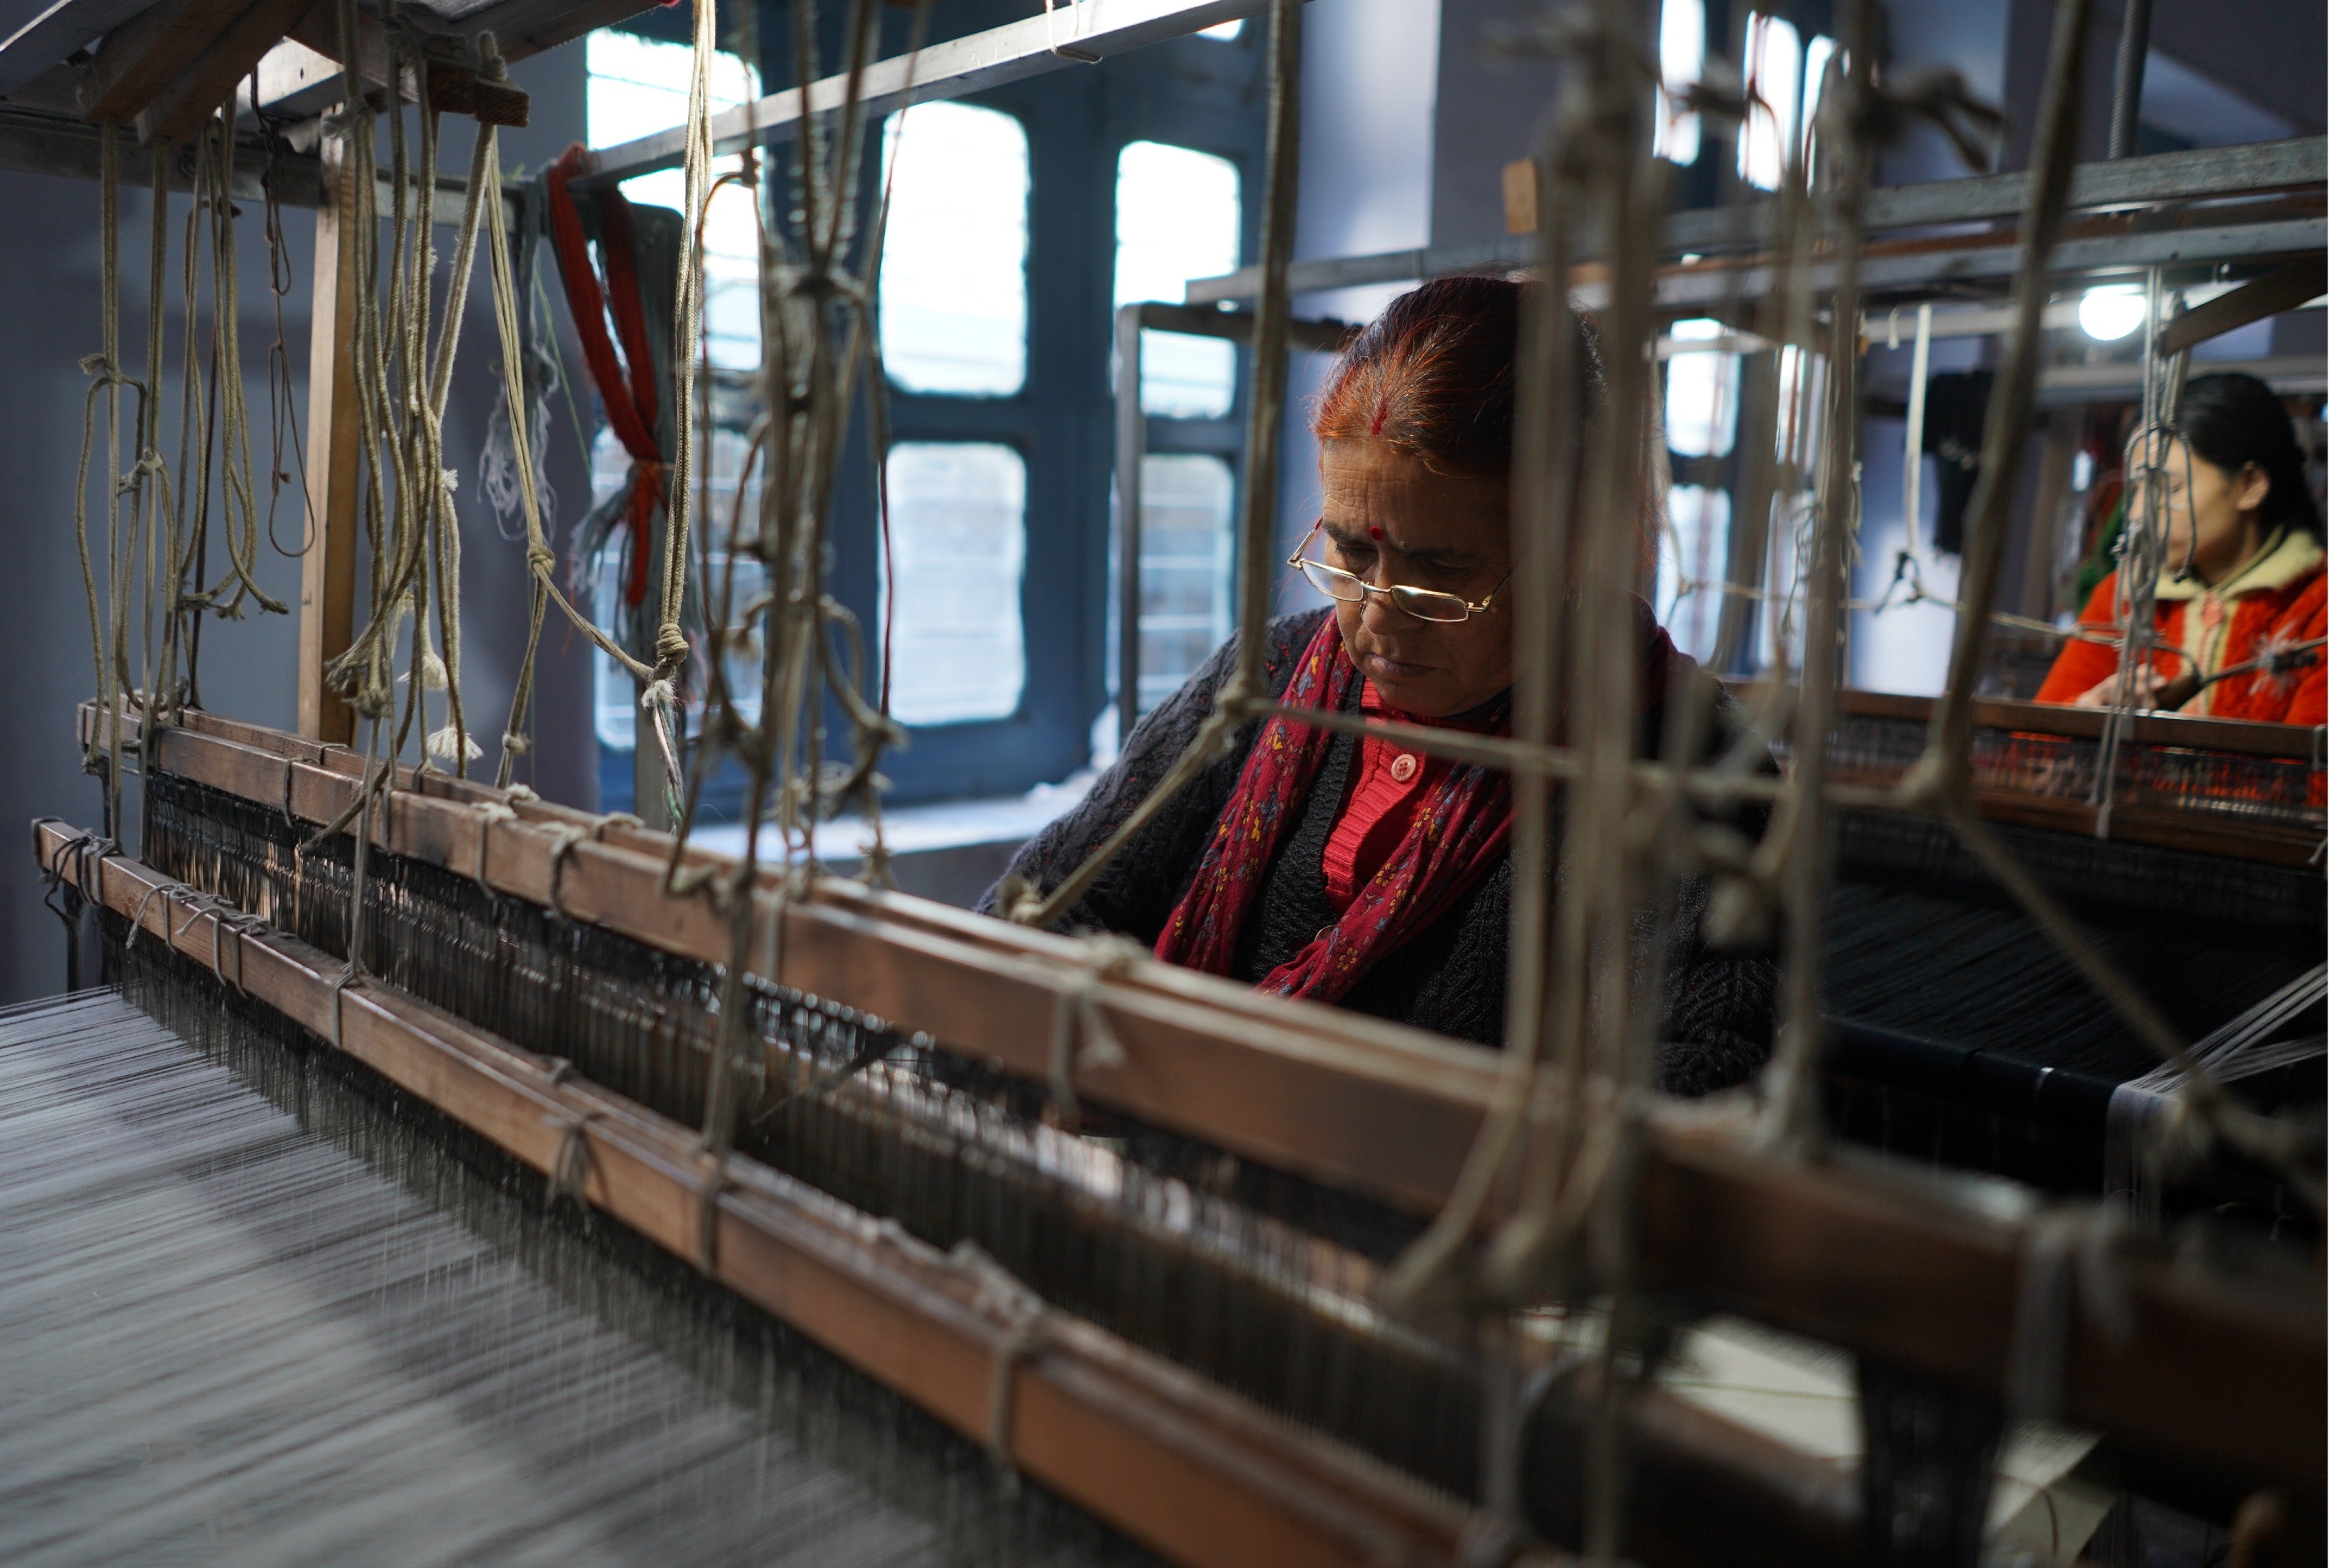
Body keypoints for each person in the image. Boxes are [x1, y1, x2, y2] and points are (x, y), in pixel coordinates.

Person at [983, 276, 1775, 1096]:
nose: (1379, 622)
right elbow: (1047, 908)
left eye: (1442, 570)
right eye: (1351, 554)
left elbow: (1698, 1084)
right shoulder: (1269, 678)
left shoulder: (1683, 760)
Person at [2037, 373, 2325, 723]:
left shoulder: (2315, 606)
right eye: (2137, 489)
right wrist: (2081, 718)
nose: (2140, 513)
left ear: (2249, 486)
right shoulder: (2124, 598)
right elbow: (2036, 740)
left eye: (2169, 489)